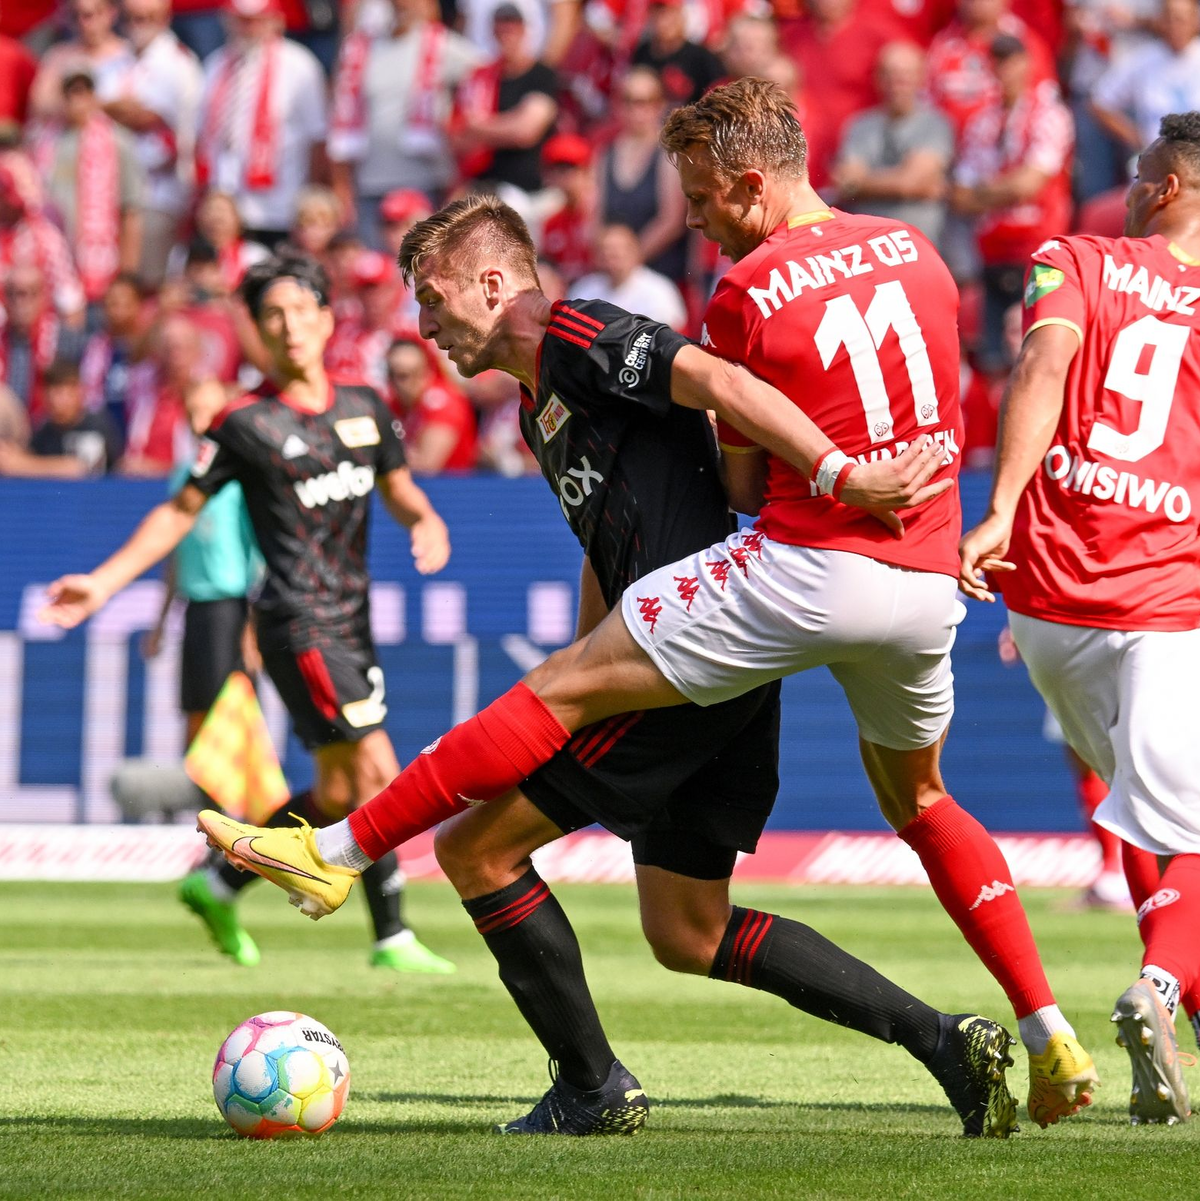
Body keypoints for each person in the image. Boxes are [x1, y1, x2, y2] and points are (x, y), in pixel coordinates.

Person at [196, 82, 1100, 1132]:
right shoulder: (545, 400)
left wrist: (839, 475)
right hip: (725, 640)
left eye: (436, 300)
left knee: (475, 849)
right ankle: (949, 1041)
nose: (425, 326)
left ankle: (562, 1060)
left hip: (711, 642)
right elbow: (612, 539)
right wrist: (597, 643)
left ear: (495, 282)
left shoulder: (575, 325)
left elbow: (716, 383)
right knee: (686, 927)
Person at [39, 250, 456, 974]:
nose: (290, 327)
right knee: (377, 773)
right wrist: (104, 584)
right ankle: (390, 933)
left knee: (333, 789)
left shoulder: (366, 410)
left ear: (327, 319)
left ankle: (221, 878)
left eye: (302, 311)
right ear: (259, 333)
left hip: (352, 620)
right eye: (273, 316)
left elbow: (401, 489)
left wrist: (427, 520)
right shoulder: (244, 421)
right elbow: (178, 513)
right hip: (298, 619)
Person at [959, 110, 1200, 1124]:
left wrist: (1002, 506)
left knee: (1148, 802)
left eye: (1140, 171)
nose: (1127, 184)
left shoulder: (1072, 258)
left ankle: (1169, 993)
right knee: (1190, 820)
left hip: (1049, 593)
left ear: (1163, 191)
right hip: (1161, 592)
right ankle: (1160, 986)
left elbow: (1042, 372)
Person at [951, 33, 1073, 370]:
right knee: (991, 362)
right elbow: (961, 196)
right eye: (998, 61)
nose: (1005, 69)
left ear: (1027, 63)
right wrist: (1005, 190)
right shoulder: (982, 121)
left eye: (1012, 59)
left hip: (1040, 252)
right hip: (992, 254)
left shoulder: (1049, 114)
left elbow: (1030, 183)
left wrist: (986, 193)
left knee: (1034, 356)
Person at [833, 41, 954, 250]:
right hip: (866, 246)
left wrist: (861, 183)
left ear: (920, 78)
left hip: (919, 246)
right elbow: (846, 183)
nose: (897, 82)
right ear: (878, 79)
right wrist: (915, 186)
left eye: (905, 75)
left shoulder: (935, 124)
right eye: (890, 74)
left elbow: (909, 182)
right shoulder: (859, 125)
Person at [0, 359, 122, 477]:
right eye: (50, 392)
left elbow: (80, 469)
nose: (55, 401)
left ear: (79, 392)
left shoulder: (96, 426)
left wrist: (22, 464)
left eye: (62, 392)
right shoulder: (44, 431)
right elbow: (30, 456)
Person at [572, 222, 687, 329]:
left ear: (634, 252)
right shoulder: (584, 289)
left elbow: (665, 335)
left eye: (615, 254)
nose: (609, 260)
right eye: (603, 252)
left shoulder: (658, 289)